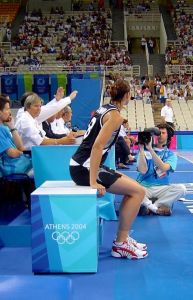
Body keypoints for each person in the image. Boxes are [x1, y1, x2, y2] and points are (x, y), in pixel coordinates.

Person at [69, 79, 147, 260]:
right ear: (127, 95)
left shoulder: (104, 109)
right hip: (85, 168)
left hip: (82, 164)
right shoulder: (115, 117)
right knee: (138, 192)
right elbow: (97, 147)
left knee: (135, 189)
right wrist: (93, 181)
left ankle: (124, 238)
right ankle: (120, 244)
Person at [136, 123, 186, 216]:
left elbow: (163, 167)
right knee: (133, 189)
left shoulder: (171, 155)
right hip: (144, 187)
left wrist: (151, 150)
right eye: (158, 133)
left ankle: (151, 206)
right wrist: (142, 149)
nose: (160, 135)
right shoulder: (143, 151)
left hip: (162, 187)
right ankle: (159, 207)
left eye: (163, 133)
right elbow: (142, 170)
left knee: (181, 189)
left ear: (168, 136)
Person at [0, 95, 32, 176]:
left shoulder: (4, 128)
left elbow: (20, 147)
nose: (9, 112)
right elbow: (12, 153)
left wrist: (12, 127)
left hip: (15, 165)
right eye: (7, 109)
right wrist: (24, 154)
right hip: (9, 168)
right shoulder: (1, 130)